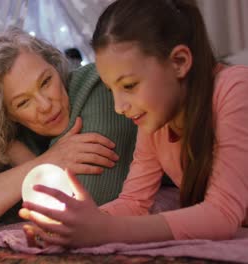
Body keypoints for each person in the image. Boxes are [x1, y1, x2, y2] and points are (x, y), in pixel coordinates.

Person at [19, 0, 248, 248]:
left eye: (129, 86)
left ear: (179, 62)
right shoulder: (155, 122)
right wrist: (71, 226)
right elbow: (134, 202)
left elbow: (222, 215)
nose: (119, 107)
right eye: (111, 90)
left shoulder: (234, 89)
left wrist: (106, 229)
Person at [0, 27, 137, 233]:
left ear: (56, 67)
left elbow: (84, 204)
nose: (45, 105)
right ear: (8, 116)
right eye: (23, 103)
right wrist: (44, 161)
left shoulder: (97, 85)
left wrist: (22, 163)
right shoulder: (15, 139)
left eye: (46, 81)